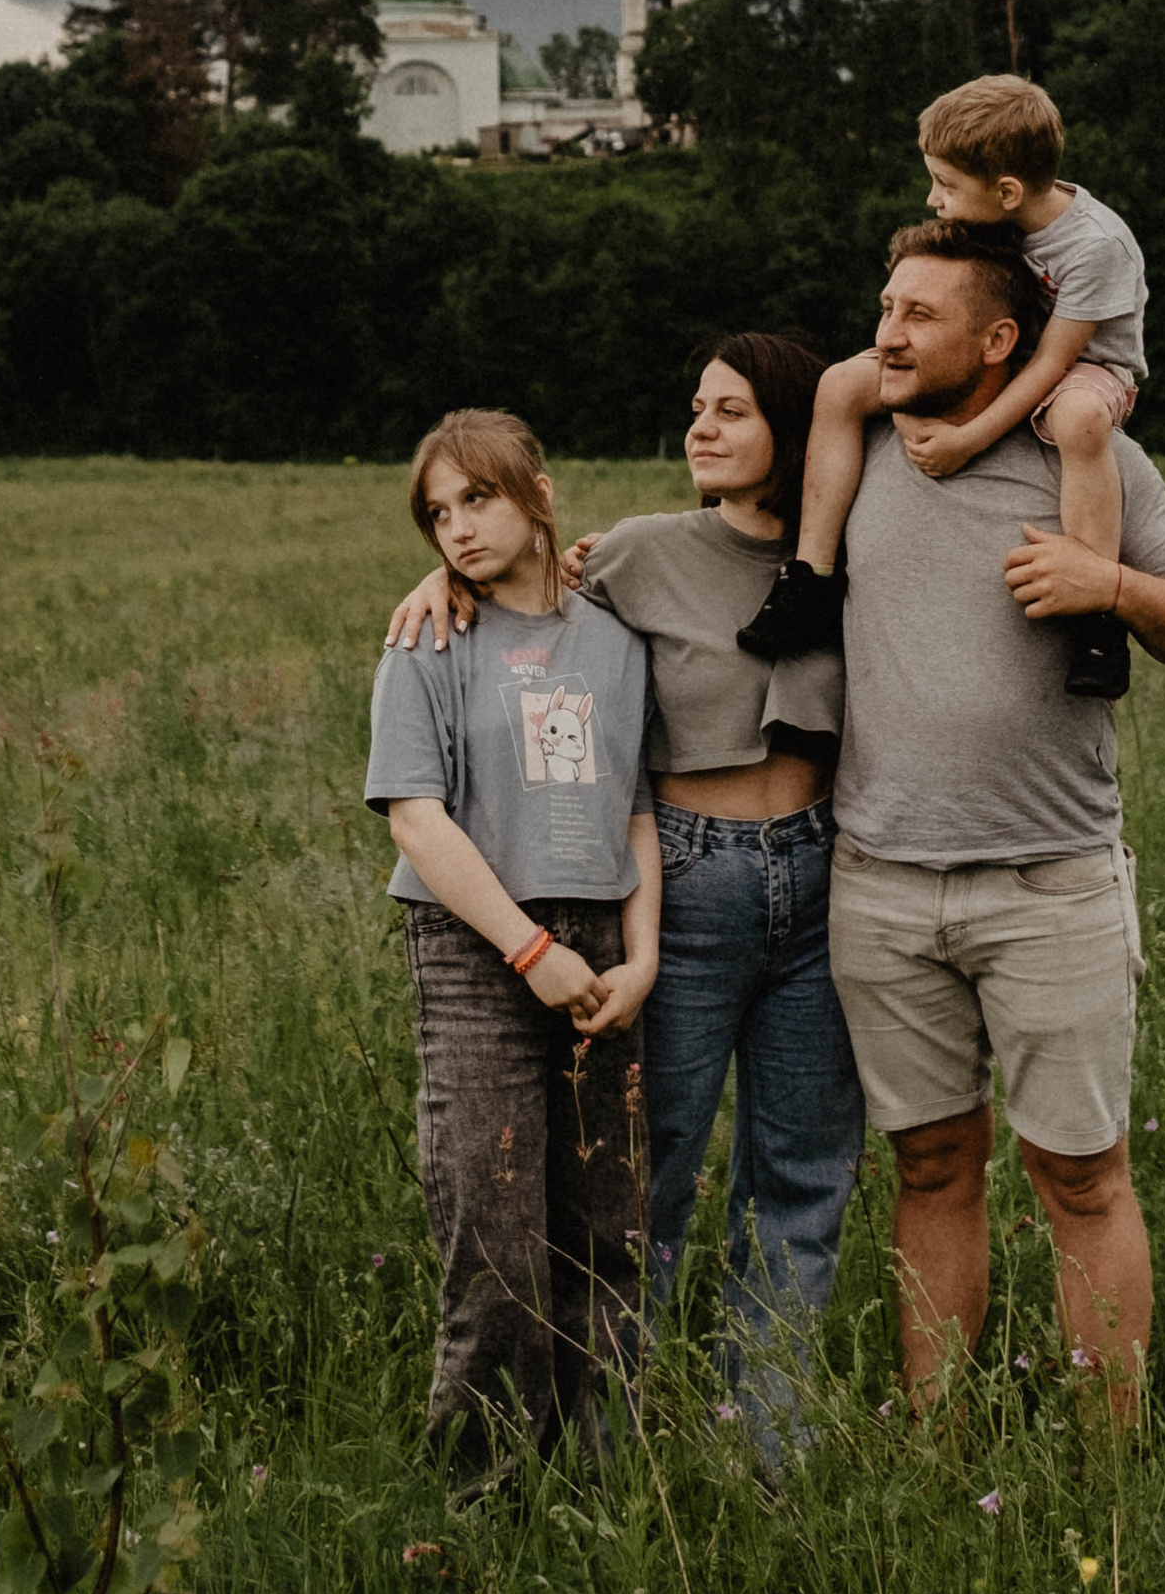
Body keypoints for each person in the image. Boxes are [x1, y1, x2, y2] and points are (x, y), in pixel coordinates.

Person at [385, 336, 866, 1460]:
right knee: (642, 1182)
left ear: (795, 430)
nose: (699, 427)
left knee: (800, 1177)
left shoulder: (859, 550)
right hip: (685, 873)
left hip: (823, 872)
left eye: (731, 410)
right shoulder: (643, 552)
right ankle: (601, 1449)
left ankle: (764, 1451)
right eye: (696, 406)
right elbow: (523, 593)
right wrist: (442, 574)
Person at [820, 217, 1165, 1422]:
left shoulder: (1084, 451)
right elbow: (719, 539)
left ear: (1001, 339)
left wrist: (1108, 584)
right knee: (929, 1165)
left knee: (1080, 1174)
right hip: (880, 882)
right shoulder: (853, 448)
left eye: (920, 315)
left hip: (1048, 885)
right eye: (886, 308)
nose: (889, 334)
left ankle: (1109, 1469)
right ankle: (935, 1447)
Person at [365, 408, 660, 1467]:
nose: (457, 528)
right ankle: (480, 1499)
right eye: (438, 513)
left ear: (537, 492)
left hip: (604, 949)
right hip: (478, 950)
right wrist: (531, 954)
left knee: (609, 1237)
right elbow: (415, 818)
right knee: (496, 1245)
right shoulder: (428, 641)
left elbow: (636, 807)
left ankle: (602, 1481)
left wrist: (642, 958)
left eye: (478, 498)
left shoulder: (618, 640)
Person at [741, 76, 1148, 700]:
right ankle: (810, 578)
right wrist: (908, 404)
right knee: (841, 384)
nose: (934, 199)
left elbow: (1050, 364)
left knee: (1078, 420)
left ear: (1007, 192)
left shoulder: (1096, 246)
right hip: (1004, 349)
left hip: (1084, 367)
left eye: (946, 185)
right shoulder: (996, 215)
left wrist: (968, 439)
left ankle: (1096, 623)